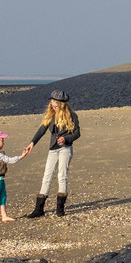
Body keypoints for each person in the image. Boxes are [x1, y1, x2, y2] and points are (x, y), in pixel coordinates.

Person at [22, 90, 81, 218]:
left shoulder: (72, 116)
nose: (53, 106)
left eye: (56, 105)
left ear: (62, 104)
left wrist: (66, 139)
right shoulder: (51, 115)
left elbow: (77, 133)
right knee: (47, 176)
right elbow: (42, 129)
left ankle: (60, 209)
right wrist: (32, 143)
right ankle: (39, 209)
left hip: (66, 148)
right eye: (52, 104)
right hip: (53, 149)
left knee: (62, 176)